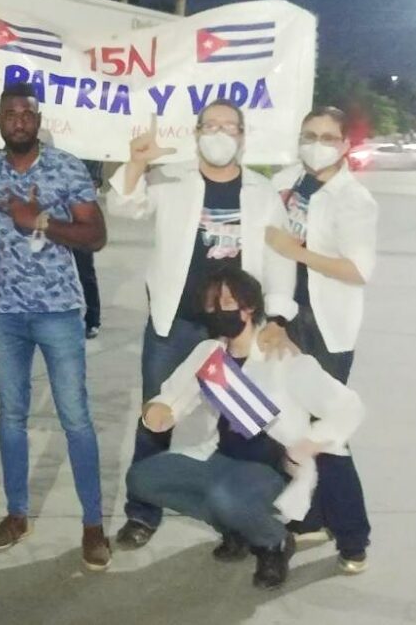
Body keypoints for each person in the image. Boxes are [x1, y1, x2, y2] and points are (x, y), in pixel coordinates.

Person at [107, 101, 299, 549]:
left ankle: (250, 514)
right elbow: (123, 206)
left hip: (238, 329)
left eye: (228, 127)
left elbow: (279, 256)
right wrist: (136, 163)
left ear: (242, 137)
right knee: (158, 413)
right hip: (176, 323)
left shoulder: (261, 192)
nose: (219, 134)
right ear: (196, 134)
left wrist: (279, 317)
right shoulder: (172, 178)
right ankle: (142, 513)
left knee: (247, 423)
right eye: (210, 126)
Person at [126, 267, 364, 590]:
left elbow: (349, 406)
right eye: (212, 305)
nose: (217, 310)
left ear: (249, 307)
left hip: (269, 466)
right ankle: (234, 529)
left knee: (224, 495)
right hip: (217, 456)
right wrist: (155, 413)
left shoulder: (281, 356)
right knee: (143, 478)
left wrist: (312, 441)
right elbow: (170, 397)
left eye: (226, 301)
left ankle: (273, 543)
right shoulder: (210, 353)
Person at [0, 83, 111, 570]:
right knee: (11, 418)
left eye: (26, 113)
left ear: (38, 118)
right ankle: (16, 515)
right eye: (9, 114)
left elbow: (96, 235)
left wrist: (42, 223)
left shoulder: (67, 168)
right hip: (7, 314)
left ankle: (93, 525)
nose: (18, 121)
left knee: (75, 418)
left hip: (59, 311)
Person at [267, 106, 376, 573]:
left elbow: (356, 271)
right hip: (286, 318)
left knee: (327, 435)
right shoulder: (288, 183)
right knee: (288, 424)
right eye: (309, 134)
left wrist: (298, 252)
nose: (317, 143)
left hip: (327, 327)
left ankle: (353, 537)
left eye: (329, 137)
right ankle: (309, 518)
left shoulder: (355, 199)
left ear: (346, 144)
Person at [73, 159, 104, 339]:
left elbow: (93, 183)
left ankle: (92, 319)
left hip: (82, 216)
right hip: (56, 213)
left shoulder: (89, 147)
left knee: (85, 271)